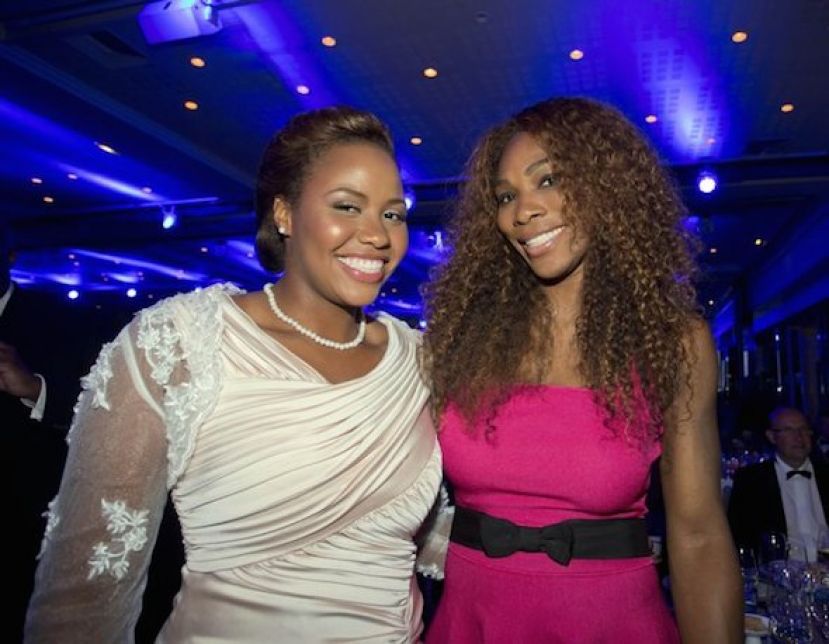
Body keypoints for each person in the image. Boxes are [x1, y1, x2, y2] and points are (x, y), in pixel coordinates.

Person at [25, 105, 441, 643]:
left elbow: (417, 530)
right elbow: (85, 591)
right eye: (347, 206)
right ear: (284, 213)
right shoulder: (179, 345)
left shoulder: (418, 359)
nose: (378, 236)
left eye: (392, 214)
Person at [420, 97, 742, 642]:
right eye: (506, 196)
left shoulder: (671, 341)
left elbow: (697, 534)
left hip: (611, 623)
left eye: (549, 179)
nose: (524, 211)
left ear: (606, 186)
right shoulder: (462, 341)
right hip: (469, 623)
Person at [1, 225, 100, 641]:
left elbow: (97, 401)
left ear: (9, 257)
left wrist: (36, 387)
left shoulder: (60, 319)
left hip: (17, 519)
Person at [728, 407, 829, 561]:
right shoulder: (751, 481)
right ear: (772, 437)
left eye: (804, 429)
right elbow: (740, 538)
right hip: (777, 579)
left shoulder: (826, 473)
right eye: (789, 430)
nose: (799, 437)